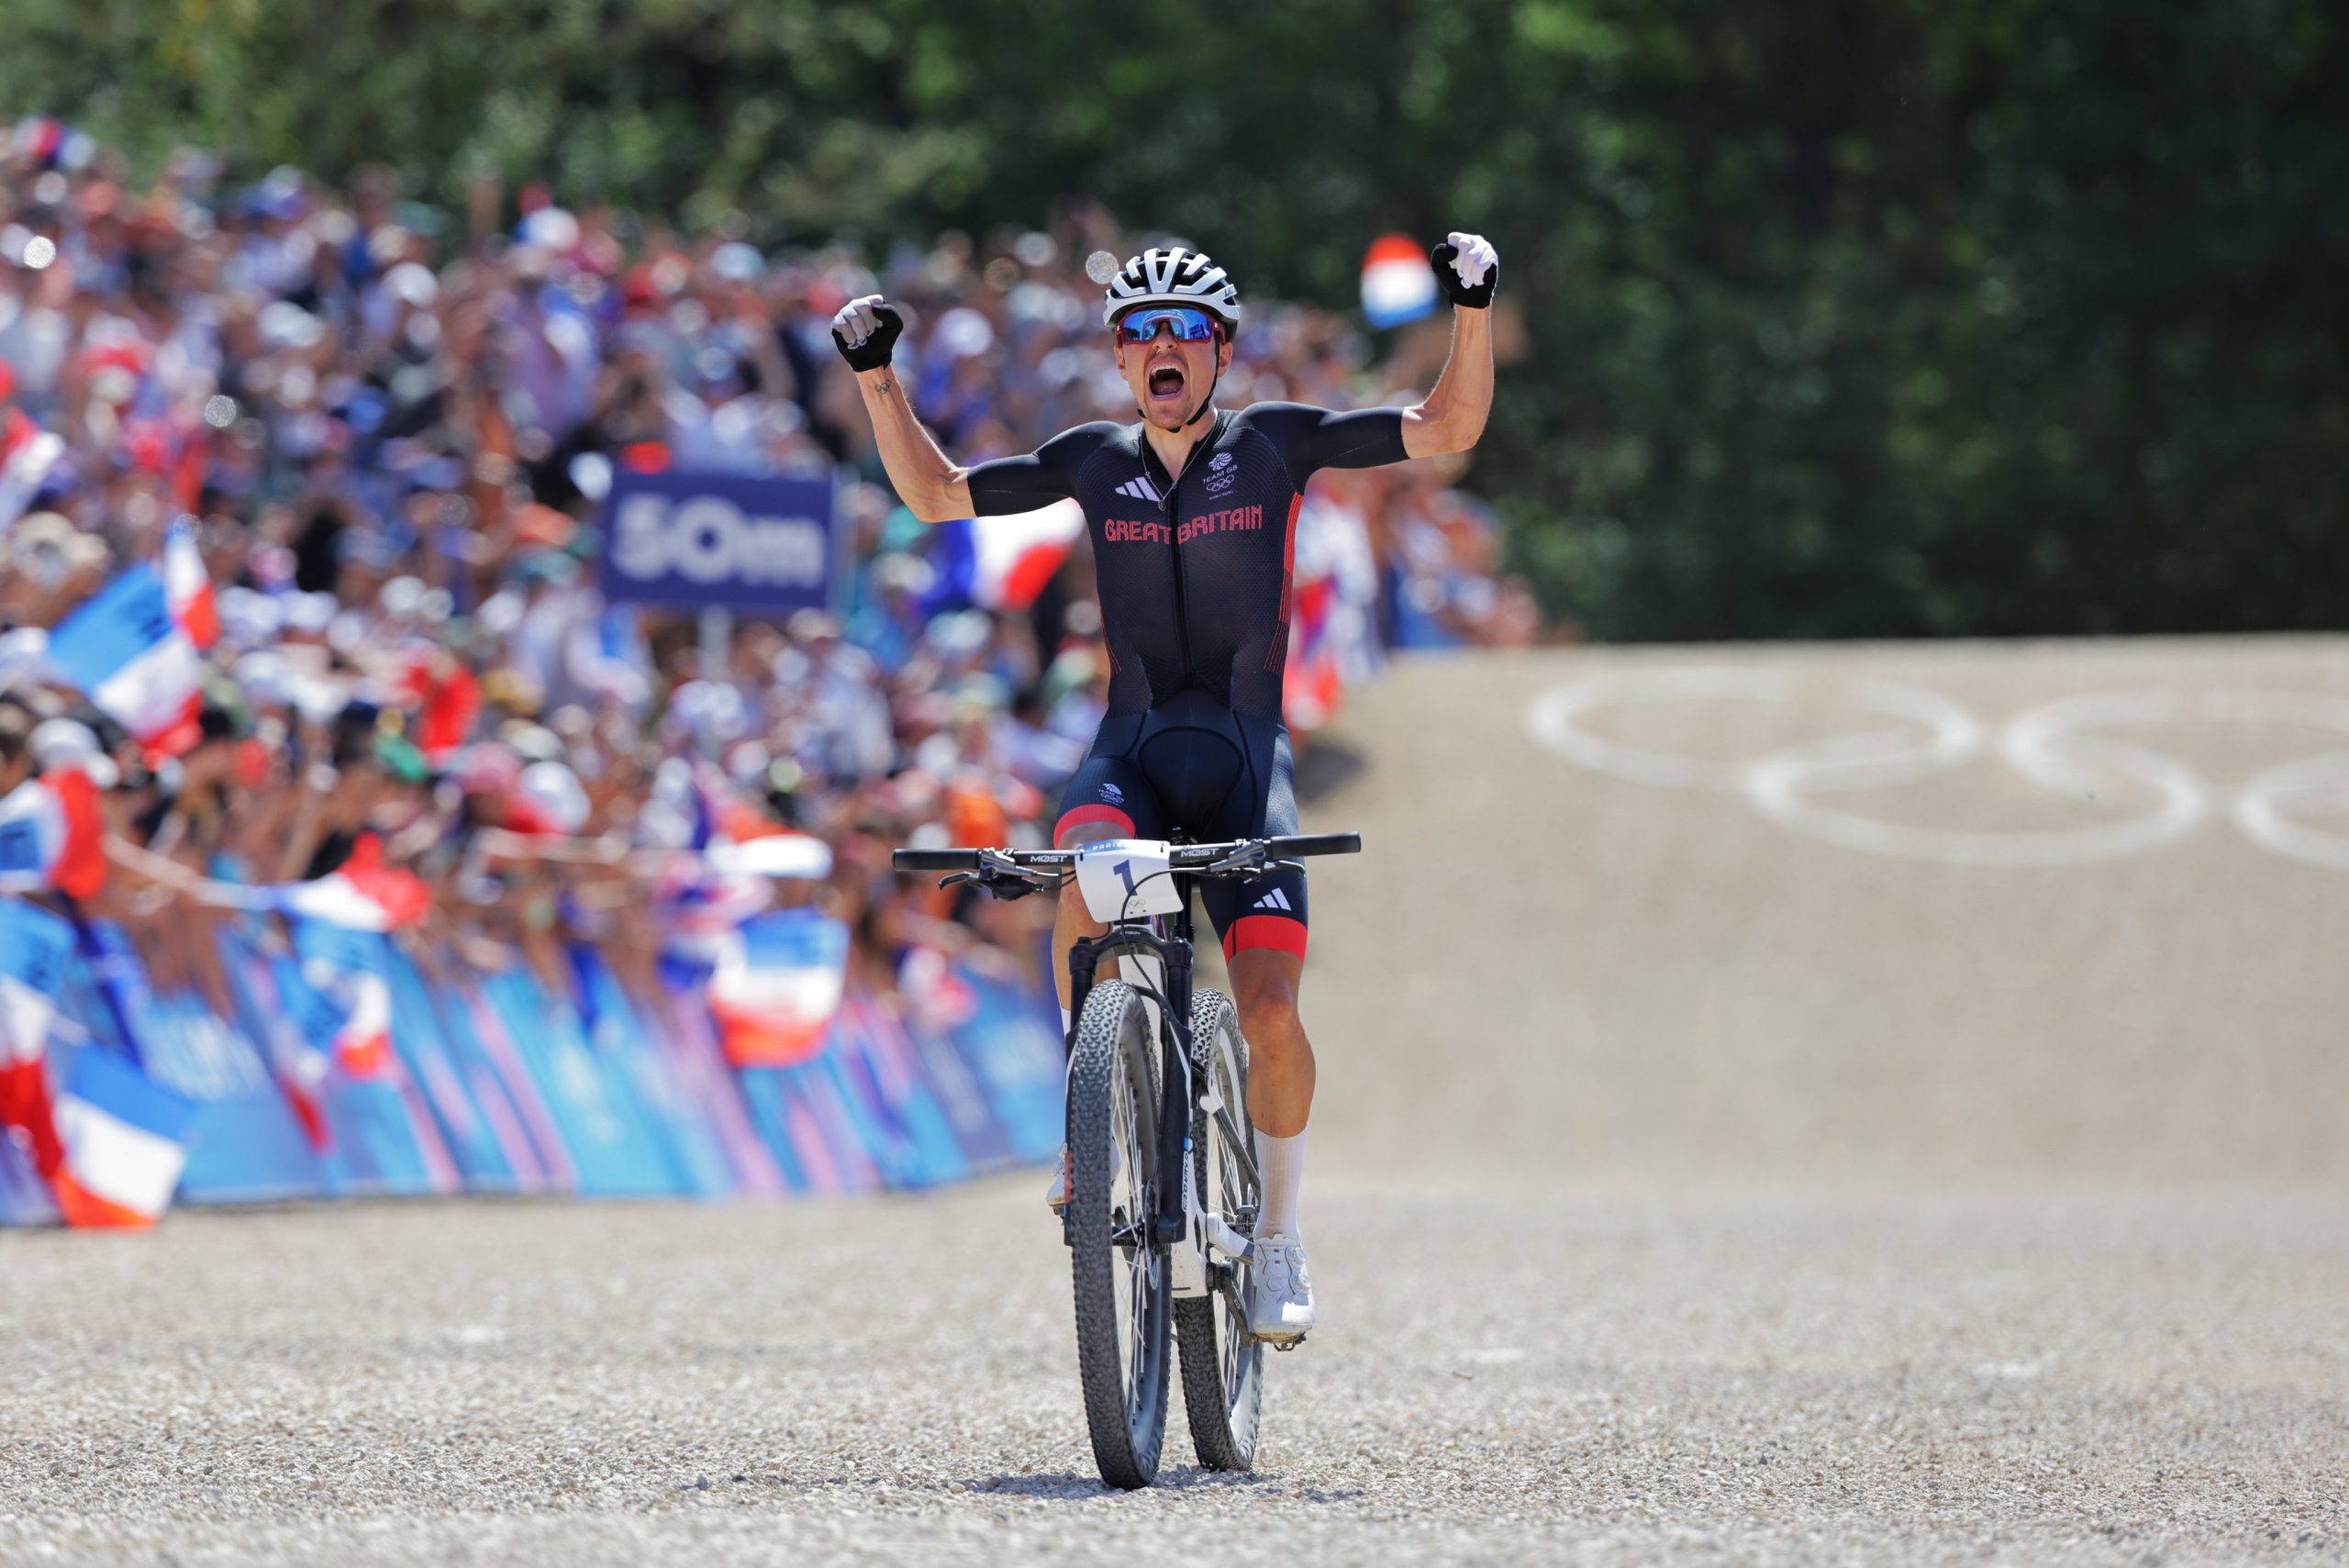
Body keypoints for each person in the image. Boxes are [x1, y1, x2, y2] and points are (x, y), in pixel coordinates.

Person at [832, 232, 1499, 1344]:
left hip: (1244, 757)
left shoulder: (1278, 443)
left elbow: (1446, 430)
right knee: (1081, 864)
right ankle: (1085, 1133)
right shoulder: (1096, 458)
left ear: (1222, 350)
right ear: (1120, 357)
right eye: (1140, 333)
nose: (1161, 349)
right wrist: (875, 379)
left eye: (1184, 331)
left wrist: (1471, 306)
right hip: (1134, 750)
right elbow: (939, 495)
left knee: (1274, 1016)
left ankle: (1277, 1233)